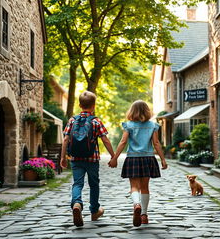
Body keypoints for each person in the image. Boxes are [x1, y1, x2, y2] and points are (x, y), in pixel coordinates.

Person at [109, 100, 168, 227]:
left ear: (132, 111)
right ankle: (144, 215)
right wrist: (163, 159)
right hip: (148, 158)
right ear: (147, 111)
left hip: (133, 159)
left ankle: (136, 204)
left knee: (134, 187)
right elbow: (156, 143)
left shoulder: (129, 125)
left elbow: (123, 142)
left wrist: (114, 158)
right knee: (145, 187)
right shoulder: (152, 125)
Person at [60, 91, 115, 227]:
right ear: (94, 105)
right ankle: (94, 211)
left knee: (77, 184)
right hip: (92, 158)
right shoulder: (96, 121)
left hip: (76, 158)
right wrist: (113, 156)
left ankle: (77, 204)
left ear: (79, 105)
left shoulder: (72, 120)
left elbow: (66, 139)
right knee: (94, 185)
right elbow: (105, 140)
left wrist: (62, 157)